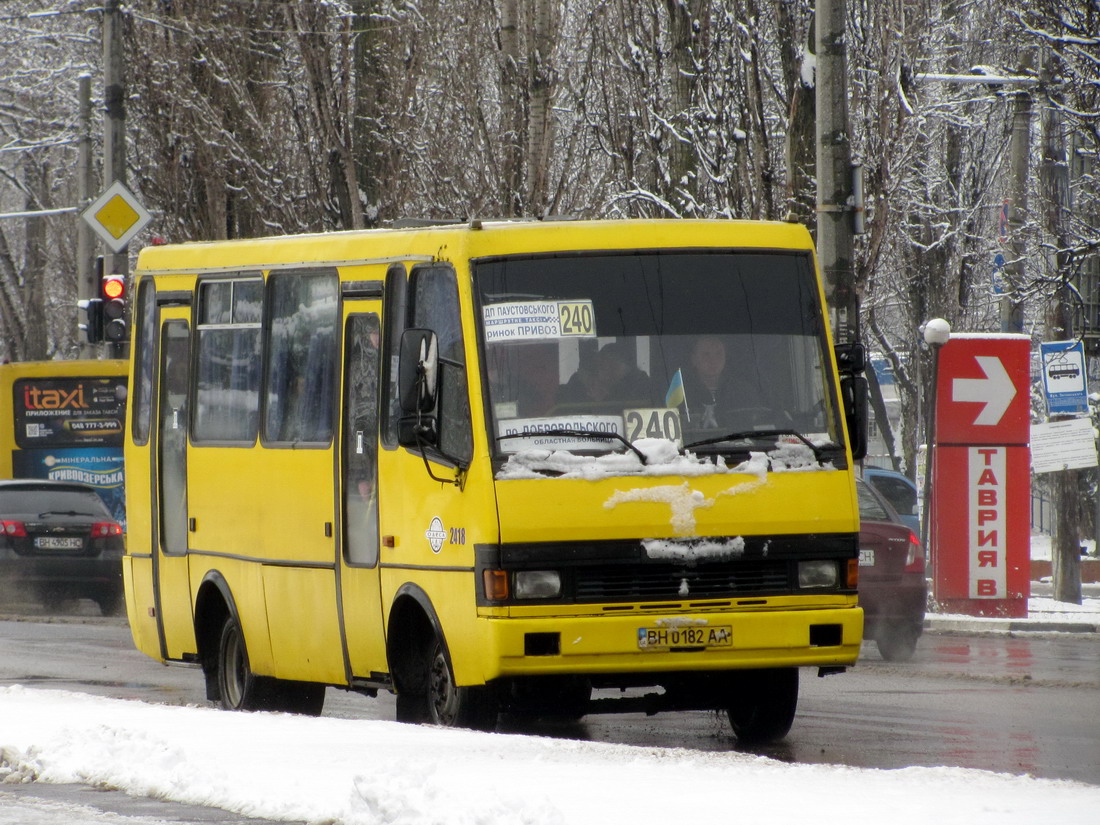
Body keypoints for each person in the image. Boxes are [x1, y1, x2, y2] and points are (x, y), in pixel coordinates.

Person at [678, 335, 763, 429]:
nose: (713, 360)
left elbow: (757, 426)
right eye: (706, 354)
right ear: (694, 359)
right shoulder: (680, 393)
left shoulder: (744, 392)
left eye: (718, 354)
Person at [560, 341, 651, 407]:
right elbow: (568, 405)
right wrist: (586, 383)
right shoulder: (580, 382)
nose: (600, 368)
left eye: (604, 364)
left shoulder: (640, 384)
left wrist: (604, 398)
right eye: (599, 364)